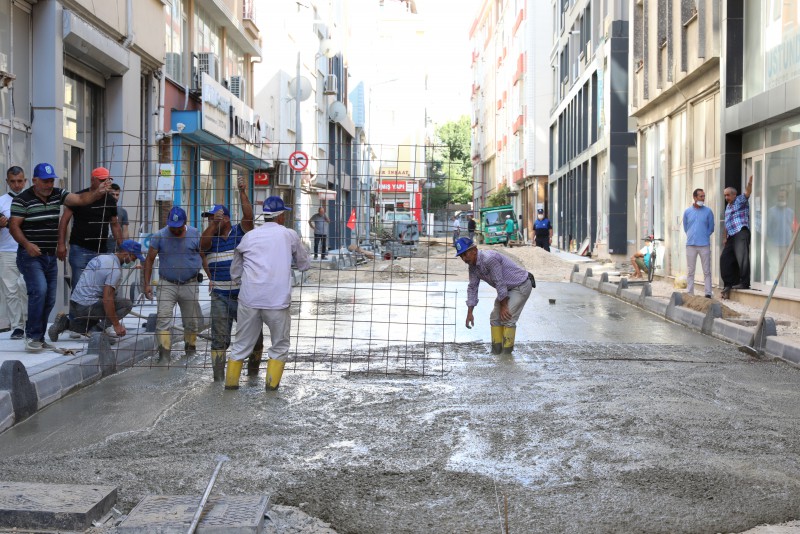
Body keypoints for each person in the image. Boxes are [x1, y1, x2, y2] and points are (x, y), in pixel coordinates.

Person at [9, 162, 111, 352]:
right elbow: (14, 226)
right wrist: (27, 244)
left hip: (49, 256)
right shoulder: (22, 200)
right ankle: (32, 335)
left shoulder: (58, 194)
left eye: (51, 181)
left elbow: (80, 199)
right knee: (39, 290)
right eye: (45, 181)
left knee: (49, 298)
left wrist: (98, 193)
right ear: (35, 181)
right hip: (29, 256)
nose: (49, 185)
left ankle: (38, 336)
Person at [224, 196, 310, 391]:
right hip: (277, 301)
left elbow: (235, 271)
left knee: (240, 346)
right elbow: (304, 264)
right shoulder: (289, 235)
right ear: (280, 216)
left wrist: (242, 282)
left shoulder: (249, 236)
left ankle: (229, 389)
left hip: (249, 299)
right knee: (279, 347)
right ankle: (271, 391)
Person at [200, 176, 263, 382]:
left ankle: (253, 376)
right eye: (209, 219)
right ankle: (218, 380)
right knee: (219, 340)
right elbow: (202, 246)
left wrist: (242, 192)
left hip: (244, 295)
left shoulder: (240, 232)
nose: (211, 221)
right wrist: (213, 225)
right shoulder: (210, 237)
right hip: (220, 295)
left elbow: (249, 216)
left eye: (215, 218)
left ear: (226, 218)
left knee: (255, 339)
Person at [48, 240, 144, 342]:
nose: (134, 261)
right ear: (126, 253)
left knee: (87, 327)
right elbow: (107, 300)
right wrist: (116, 325)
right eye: (134, 257)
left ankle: (64, 324)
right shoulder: (114, 269)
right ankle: (98, 332)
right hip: (86, 306)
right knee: (126, 304)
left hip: (75, 303)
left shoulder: (101, 258)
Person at [143, 206, 203, 362]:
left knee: (191, 322)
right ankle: (164, 356)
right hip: (167, 283)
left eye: (178, 228)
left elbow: (204, 255)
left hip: (190, 283)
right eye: (172, 227)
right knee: (163, 319)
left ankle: (190, 352)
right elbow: (149, 260)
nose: (175, 231)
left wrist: (212, 278)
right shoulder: (159, 236)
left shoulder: (195, 234)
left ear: (185, 223)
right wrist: (146, 284)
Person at [457, 237, 534, 355]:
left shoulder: (489, 259)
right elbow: (472, 287)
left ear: (474, 250)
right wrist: (470, 312)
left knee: (507, 317)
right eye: (461, 256)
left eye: (465, 254)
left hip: (520, 286)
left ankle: (506, 355)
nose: (464, 259)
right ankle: (496, 351)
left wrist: (504, 306)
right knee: (495, 318)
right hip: (507, 289)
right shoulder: (473, 266)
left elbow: (499, 282)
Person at [57, 167, 123, 289]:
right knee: (79, 287)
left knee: (97, 289)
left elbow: (114, 224)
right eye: (102, 180)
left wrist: (123, 247)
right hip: (79, 249)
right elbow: (64, 220)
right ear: (93, 180)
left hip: (101, 251)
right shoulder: (79, 196)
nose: (106, 183)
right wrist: (61, 244)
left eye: (108, 180)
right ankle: (76, 308)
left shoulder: (110, 200)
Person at [0, 167, 28, 339]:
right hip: (6, 251)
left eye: (20, 181)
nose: (17, 185)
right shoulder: (1, 202)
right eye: (13, 181)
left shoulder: (32, 200)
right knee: (10, 290)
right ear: (7, 182)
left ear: (25, 181)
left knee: (26, 288)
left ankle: (29, 322)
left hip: (27, 250)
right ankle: (17, 327)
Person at [721, 175, 753, 298]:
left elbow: (747, 193)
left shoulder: (740, 200)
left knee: (742, 258)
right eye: (725, 195)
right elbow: (726, 223)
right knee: (725, 259)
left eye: (728, 195)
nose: (726, 197)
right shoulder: (728, 207)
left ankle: (744, 283)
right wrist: (724, 237)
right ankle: (729, 283)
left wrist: (749, 184)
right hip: (731, 235)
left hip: (741, 232)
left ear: (734, 195)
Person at [683, 188, 715, 298]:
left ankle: (708, 293)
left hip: (704, 245)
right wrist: (692, 236)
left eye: (704, 196)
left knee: (707, 271)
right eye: (701, 196)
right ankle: (690, 293)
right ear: (695, 197)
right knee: (690, 270)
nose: (703, 198)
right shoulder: (687, 212)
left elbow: (711, 228)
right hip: (690, 245)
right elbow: (686, 227)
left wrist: (704, 236)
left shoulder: (708, 211)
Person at [766, 188, 795, 286]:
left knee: (788, 267)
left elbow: (792, 227)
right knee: (774, 267)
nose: (780, 198)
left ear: (786, 197)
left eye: (782, 196)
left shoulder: (790, 212)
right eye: (779, 196)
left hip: (787, 244)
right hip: (774, 244)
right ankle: (775, 287)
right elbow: (768, 228)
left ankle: (789, 287)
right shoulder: (771, 211)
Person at [106, 183, 130, 252]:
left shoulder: (123, 212)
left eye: (117, 195)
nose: (115, 197)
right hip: (102, 246)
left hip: (117, 247)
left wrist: (125, 247)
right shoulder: (102, 209)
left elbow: (125, 231)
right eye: (112, 194)